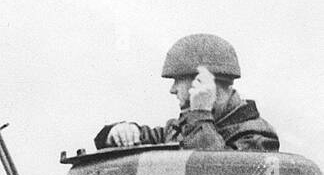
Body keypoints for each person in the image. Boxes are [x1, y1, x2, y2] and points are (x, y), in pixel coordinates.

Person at [95, 34, 278, 152]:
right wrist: (120, 131)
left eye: (177, 81)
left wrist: (200, 114)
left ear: (202, 81)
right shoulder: (181, 128)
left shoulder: (257, 138)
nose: (172, 90)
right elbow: (145, 138)